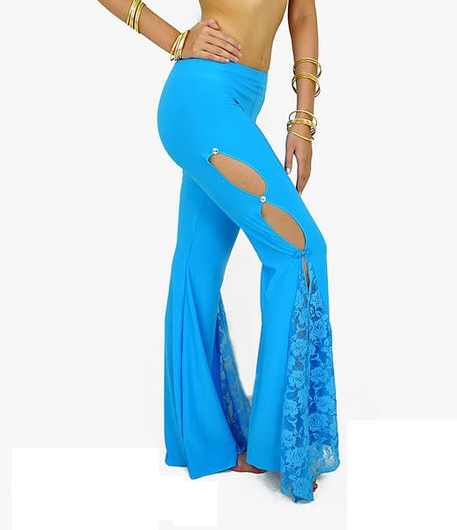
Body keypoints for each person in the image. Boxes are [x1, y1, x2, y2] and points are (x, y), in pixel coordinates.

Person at [97, 0, 340, 503]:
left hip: (238, 103)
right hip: (201, 100)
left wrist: (302, 120)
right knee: (298, 249)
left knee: (197, 265)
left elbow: (301, 15)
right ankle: (278, 446)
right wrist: (175, 39)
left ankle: (203, 443)